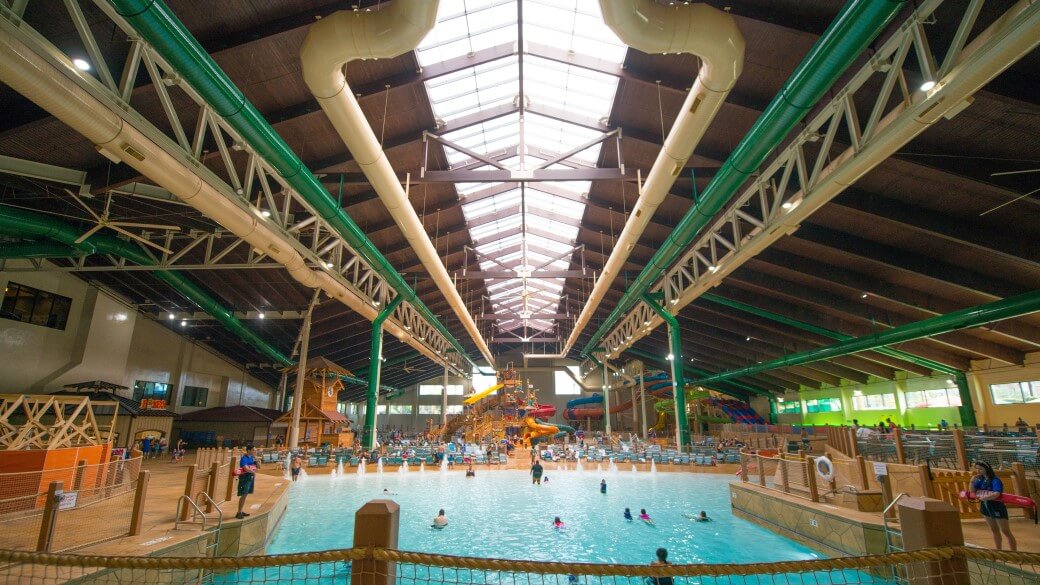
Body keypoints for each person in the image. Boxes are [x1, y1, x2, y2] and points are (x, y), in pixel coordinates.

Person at [970, 461, 1016, 550]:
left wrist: (986, 497)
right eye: (977, 469)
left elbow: (997, 493)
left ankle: (1014, 553)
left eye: (980, 469)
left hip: (997, 507)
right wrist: (971, 482)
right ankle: (998, 551)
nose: (978, 471)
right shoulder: (980, 480)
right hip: (985, 507)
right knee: (994, 530)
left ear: (987, 469)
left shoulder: (995, 480)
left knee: (1005, 531)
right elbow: (972, 493)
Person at [235, 444, 259, 520]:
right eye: (253, 450)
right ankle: (239, 513)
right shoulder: (244, 458)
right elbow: (246, 468)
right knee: (243, 495)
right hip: (244, 479)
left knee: (245, 495)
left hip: (250, 478)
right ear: (249, 450)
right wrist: (253, 472)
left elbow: (258, 467)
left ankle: (241, 511)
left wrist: (256, 459)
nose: (255, 451)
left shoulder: (251, 457)